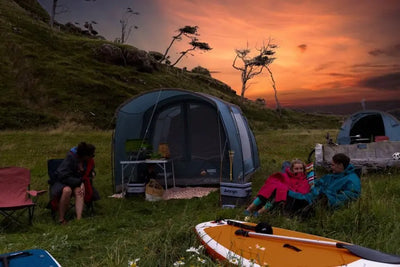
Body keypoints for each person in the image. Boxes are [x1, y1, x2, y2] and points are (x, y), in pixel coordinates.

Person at [288, 153, 361, 210]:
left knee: (304, 201)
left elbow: (351, 196)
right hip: (315, 195)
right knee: (290, 194)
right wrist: (310, 182)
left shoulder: (351, 179)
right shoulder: (332, 176)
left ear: (340, 165)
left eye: (333, 165)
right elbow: (320, 182)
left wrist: (327, 198)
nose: (331, 167)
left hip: (324, 201)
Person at [50, 142, 97, 224]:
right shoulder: (71, 158)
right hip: (61, 181)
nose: (92, 157)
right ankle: (61, 219)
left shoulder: (86, 161)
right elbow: (63, 175)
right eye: (91, 155)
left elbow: (88, 171)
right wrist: (80, 182)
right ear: (85, 155)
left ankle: (79, 219)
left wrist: (92, 173)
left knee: (79, 191)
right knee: (67, 191)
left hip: (75, 182)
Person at [244, 159, 311, 216]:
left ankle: (259, 213)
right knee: (270, 188)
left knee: (279, 193)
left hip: (288, 196)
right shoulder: (287, 175)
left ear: (304, 169)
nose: (299, 170)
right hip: (280, 190)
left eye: (301, 169)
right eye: (296, 169)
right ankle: (249, 209)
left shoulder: (304, 179)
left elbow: (302, 190)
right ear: (292, 170)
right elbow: (281, 180)